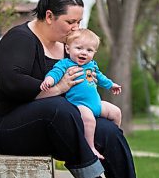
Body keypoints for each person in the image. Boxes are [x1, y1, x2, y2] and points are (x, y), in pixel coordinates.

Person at [0, 0, 156, 178]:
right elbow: (12, 83)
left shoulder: (66, 48)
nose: (76, 28)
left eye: (79, 22)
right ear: (50, 16)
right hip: (10, 127)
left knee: (109, 131)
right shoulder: (20, 39)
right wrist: (59, 88)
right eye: (70, 21)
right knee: (58, 107)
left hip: (58, 124)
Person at [40, 29, 122, 160]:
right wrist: (49, 80)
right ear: (68, 49)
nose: (84, 52)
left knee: (116, 112)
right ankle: (91, 147)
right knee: (89, 120)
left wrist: (111, 85)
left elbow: (100, 78)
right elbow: (55, 72)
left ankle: (116, 136)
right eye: (79, 48)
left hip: (96, 104)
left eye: (89, 50)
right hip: (80, 105)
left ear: (94, 53)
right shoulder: (66, 64)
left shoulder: (91, 66)